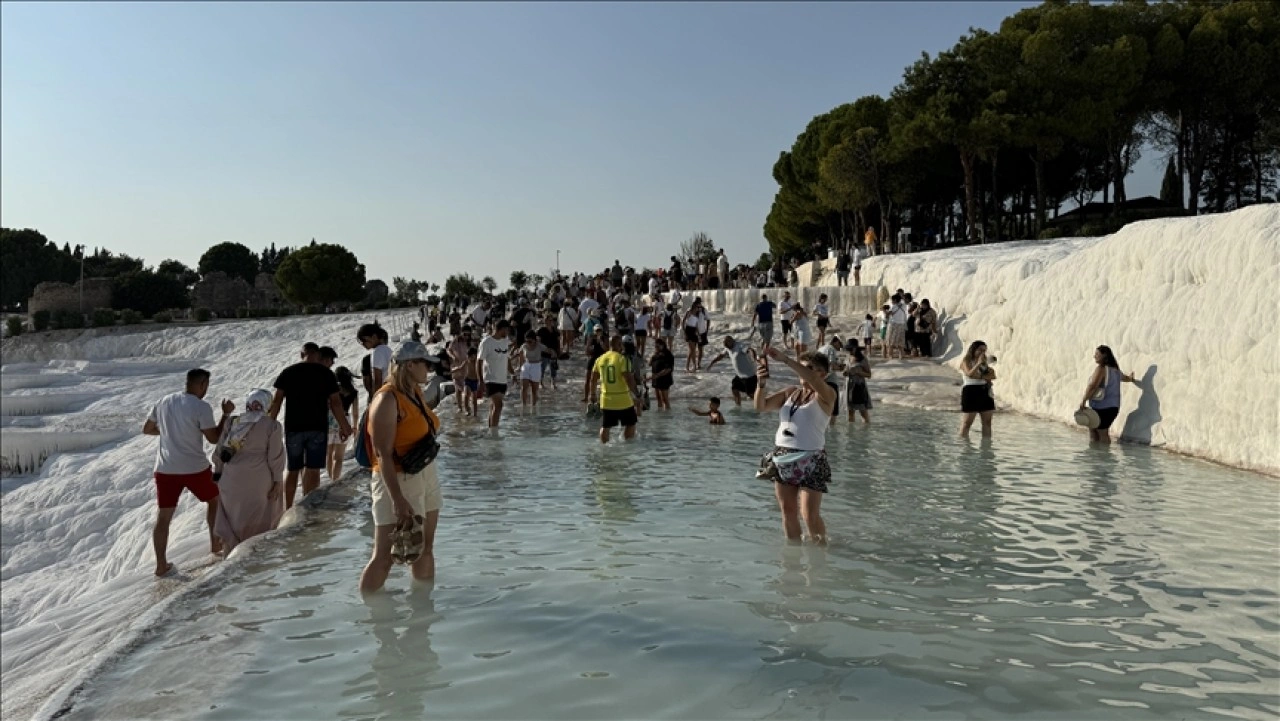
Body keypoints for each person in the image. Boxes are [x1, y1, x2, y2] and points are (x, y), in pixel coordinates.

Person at [360, 341, 444, 593]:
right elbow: (383, 454)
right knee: (384, 556)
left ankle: (423, 610)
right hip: (397, 479)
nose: (429, 369)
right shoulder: (387, 399)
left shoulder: (413, 392)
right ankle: (373, 616)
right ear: (409, 366)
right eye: (425, 364)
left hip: (424, 473)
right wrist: (397, 499)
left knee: (424, 548)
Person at [143, 368, 232, 576]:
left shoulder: (164, 401)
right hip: (194, 467)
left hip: (165, 469)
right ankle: (215, 546)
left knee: (163, 516)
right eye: (206, 386)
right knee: (214, 501)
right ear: (202, 385)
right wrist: (226, 414)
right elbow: (213, 438)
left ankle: (161, 565)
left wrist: (168, 433)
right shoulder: (201, 407)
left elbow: (147, 429)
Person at [752, 347, 836, 544]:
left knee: (809, 514)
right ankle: (793, 558)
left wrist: (785, 359)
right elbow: (760, 406)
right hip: (782, 456)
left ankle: (820, 551)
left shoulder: (827, 395)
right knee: (788, 511)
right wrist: (761, 384)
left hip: (811, 458)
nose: (800, 371)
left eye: (807, 368)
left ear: (822, 374)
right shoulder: (791, 392)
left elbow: (814, 381)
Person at [269, 346, 353, 508]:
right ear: (318, 355)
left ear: (302, 354)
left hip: (294, 428)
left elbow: (277, 401)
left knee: (293, 469)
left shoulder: (288, 372)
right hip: (317, 428)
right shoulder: (326, 374)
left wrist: (269, 424)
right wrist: (344, 426)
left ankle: (288, 508)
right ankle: (309, 508)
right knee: (313, 469)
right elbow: (336, 403)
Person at [211, 389, 285, 554]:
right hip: (259, 479)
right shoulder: (272, 426)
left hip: (231, 479)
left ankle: (231, 553)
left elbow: (220, 452)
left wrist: (218, 473)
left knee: (234, 518)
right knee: (261, 519)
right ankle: (256, 558)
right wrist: (278, 481)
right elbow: (275, 457)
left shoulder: (232, 422)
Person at [589, 335, 642, 443]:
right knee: (630, 423)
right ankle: (628, 445)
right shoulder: (623, 359)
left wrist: (593, 395)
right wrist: (637, 394)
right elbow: (628, 378)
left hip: (606, 399)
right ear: (619, 345)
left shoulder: (600, 359)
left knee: (606, 426)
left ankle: (604, 446)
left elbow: (593, 379)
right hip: (623, 399)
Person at [1079, 345, 1136, 444]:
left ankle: (1100, 457)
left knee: (1098, 432)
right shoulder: (1115, 370)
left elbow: (1093, 386)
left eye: (1097, 354)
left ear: (1104, 355)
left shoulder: (1101, 369)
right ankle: (1101, 456)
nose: (1094, 356)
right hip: (1113, 407)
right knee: (1098, 430)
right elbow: (1125, 378)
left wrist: (1083, 400)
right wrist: (1131, 378)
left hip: (1102, 407)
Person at [327, 366, 361, 482]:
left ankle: (330, 477)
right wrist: (355, 426)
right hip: (345, 420)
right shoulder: (353, 392)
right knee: (339, 457)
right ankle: (335, 480)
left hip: (331, 420)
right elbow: (355, 412)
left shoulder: (332, 389)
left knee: (329, 453)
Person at [477, 320, 513, 428]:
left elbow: (507, 357)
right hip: (490, 378)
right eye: (507, 330)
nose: (508, 332)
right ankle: (494, 433)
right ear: (501, 329)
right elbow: (479, 361)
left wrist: (512, 372)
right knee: (499, 406)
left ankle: (491, 430)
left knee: (493, 406)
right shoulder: (486, 342)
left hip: (502, 379)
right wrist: (480, 381)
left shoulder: (505, 341)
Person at [706, 335, 759, 407]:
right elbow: (721, 355)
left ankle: (763, 405)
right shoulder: (728, 348)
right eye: (726, 346)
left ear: (731, 341)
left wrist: (753, 356)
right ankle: (738, 408)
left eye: (727, 345)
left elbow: (750, 350)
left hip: (749, 376)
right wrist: (712, 363)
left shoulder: (740, 346)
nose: (727, 348)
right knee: (734, 389)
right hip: (739, 376)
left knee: (751, 394)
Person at [959, 340, 997, 438]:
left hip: (984, 391)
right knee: (967, 423)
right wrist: (978, 364)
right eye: (980, 350)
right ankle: (964, 447)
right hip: (970, 392)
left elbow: (991, 376)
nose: (982, 352)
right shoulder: (966, 361)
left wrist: (983, 374)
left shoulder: (984, 364)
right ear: (973, 349)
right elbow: (969, 374)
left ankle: (987, 448)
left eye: (984, 350)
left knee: (987, 423)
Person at [358, 324, 392, 402]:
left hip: (384, 395)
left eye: (364, 340)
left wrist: (375, 400)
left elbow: (377, 380)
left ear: (374, 337)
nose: (363, 344)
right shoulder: (387, 349)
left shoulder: (377, 352)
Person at [815, 336, 845, 416]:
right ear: (836, 342)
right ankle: (832, 427)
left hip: (819, 381)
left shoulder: (821, 348)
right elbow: (831, 366)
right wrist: (840, 367)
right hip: (830, 381)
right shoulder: (831, 349)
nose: (840, 348)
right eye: (840, 345)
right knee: (833, 411)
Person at [843, 344, 873, 423]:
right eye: (848, 349)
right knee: (850, 412)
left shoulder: (862, 359)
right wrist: (845, 372)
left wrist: (858, 372)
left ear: (855, 348)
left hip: (859, 387)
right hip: (849, 387)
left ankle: (865, 432)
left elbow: (869, 374)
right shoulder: (848, 358)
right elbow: (845, 369)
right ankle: (851, 433)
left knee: (862, 411)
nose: (849, 351)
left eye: (850, 349)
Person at [517, 331, 544, 407]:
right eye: (526, 340)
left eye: (530, 341)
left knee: (534, 389)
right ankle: (523, 404)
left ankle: (534, 405)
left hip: (536, 365)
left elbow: (548, 350)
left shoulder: (539, 346)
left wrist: (554, 354)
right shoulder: (524, 346)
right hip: (526, 365)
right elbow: (520, 354)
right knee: (524, 387)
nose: (528, 342)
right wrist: (520, 366)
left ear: (534, 340)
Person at [648, 338, 675, 410]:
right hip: (656, 379)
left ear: (662, 345)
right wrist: (653, 355)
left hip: (664, 379)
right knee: (658, 398)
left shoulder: (668, 354)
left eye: (657, 346)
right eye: (655, 346)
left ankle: (668, 415)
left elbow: (668, 369)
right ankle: (660, 414)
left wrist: (658, 375)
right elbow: (649, 364)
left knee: (665, 399)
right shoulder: (656, 354)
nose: (656, 348)